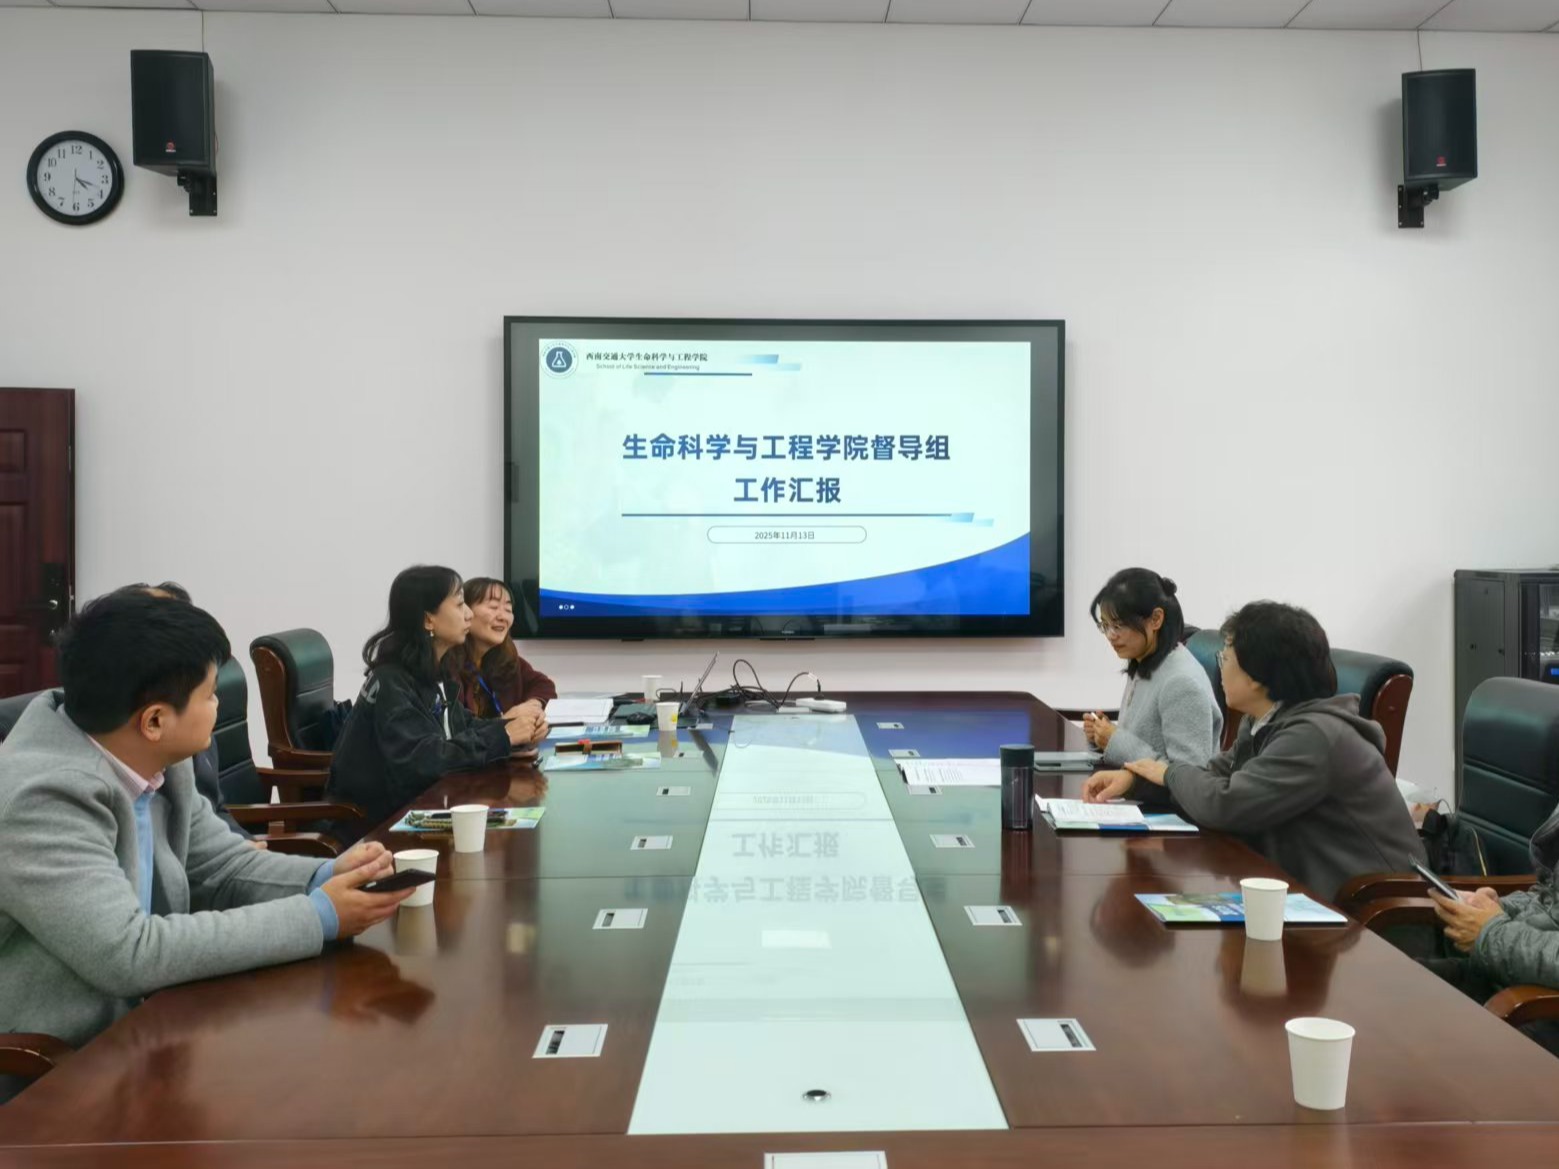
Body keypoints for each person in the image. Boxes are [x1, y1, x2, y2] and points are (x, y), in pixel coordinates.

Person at [0, 591, 415, 1066]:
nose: (218, 706)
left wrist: (324, 877)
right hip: (57, 1067)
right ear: (154, 720)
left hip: (159, 1026)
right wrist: (318, 915)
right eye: (211, 694)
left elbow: (221, 864)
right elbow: (129, 952)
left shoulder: (157, 759)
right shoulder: (41, 798)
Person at [1084, 600, 1424, 902]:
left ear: (1258, 676)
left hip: (1374, 912)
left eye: (1225, 658)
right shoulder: (1264, 721)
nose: (1220, 668)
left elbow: (1227, 804)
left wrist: (1169, 773)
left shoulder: (1315, 737)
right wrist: (1135, 782)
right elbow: (1210, 776)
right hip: (1303, 894)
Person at [325, 565, 537, 835]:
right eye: (460, 604)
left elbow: (460, 726)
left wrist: (512, 730)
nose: (469, 614)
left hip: (419, 808)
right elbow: (425, 761)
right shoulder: (392, 681)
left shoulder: (431, 671)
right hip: (378, 829)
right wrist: (502, 736)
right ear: (428, 620)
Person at [1424, 804, 1559, 1053]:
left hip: (1540, 1010)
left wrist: (1492, 933)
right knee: (1394, 987)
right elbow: (1548, 893)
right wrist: (1499, 908)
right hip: (1512, 978)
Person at [1081, 569, 1222, 794]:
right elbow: (1143, 738)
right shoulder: (1145, 660)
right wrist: (1101, 734)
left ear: (1156, 619)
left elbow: (1188, 777)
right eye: (1105, 626)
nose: (1110, 635)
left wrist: (1114, 740)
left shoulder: (1182, 682)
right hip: (1139, 793)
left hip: (1169, 809)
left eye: (1118, 625)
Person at [449, 577, 553, 743]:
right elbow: (453, 736)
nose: (503, 617)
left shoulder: (504, 657)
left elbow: (543, 685)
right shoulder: (447, 665)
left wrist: (532, 711)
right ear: (465, 611)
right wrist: (504, 728)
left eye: (508, 609)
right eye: (493, 607)